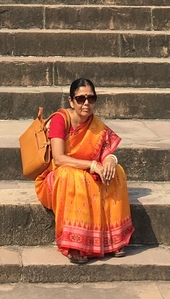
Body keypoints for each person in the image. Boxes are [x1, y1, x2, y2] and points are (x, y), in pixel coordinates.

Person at [35, 78, 133, 263]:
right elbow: (59, 158)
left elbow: (106, 151)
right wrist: (92, 165)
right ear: (71, 101)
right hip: (58, 175)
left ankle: (113, 240)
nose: (86, 103)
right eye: (80, 99)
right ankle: (75, 244)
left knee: (117, 172)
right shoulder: (60, 119)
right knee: (73, 177)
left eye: (91, 98)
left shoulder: (97, 125)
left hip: (85, 171)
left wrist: (111, 160)